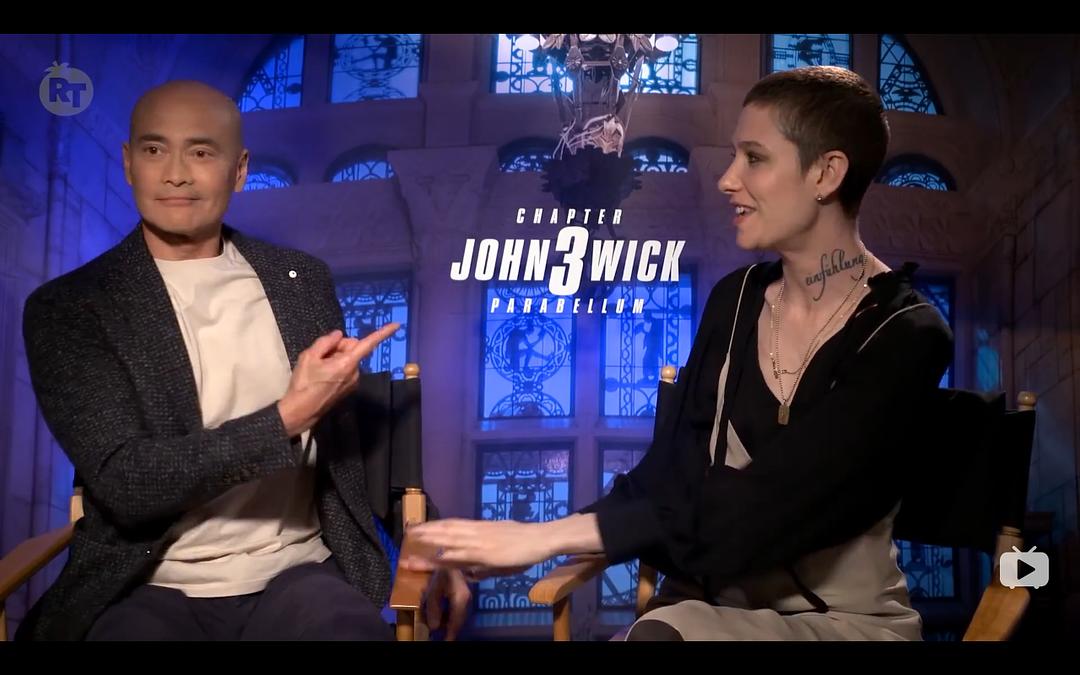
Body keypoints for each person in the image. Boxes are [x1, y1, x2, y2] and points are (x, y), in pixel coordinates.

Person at [401, 66, 953, 641]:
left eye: (754, 158)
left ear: (826, 172)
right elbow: (666, 476)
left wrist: (545, 538)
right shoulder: (735, 300)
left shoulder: (907, 333)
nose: (728, 180)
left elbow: (768, 508)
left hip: (841, 625)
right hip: (702, 604)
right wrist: (515, 538)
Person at [17, 80, 469, 641]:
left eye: (201, 152)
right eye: (155, 150)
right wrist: (285, 419)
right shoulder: (72, 307)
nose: (176, 174)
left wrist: (434, 540)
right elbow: (127, 484)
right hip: (146, 581)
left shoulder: (299, 281)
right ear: (129, 163)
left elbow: (353, 439)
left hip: (297, 570)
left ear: (239, 170)